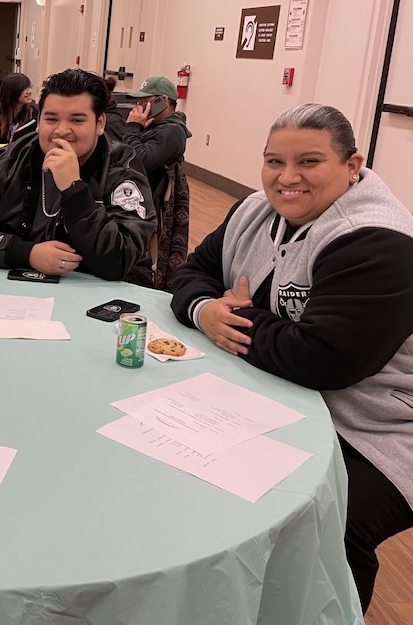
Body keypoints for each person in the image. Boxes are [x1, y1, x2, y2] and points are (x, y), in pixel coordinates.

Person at [168, 103, 413, 613]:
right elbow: (191, 272)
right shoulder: (252, 211)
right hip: (289, 396)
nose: (288, 178)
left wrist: (238, 320)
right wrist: (204, 308)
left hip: (381, 427)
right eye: (274, 161)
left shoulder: (376, 242)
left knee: (327, 523)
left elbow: (325, 360)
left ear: (352, 165)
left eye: (309, 161)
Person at [0, 68, 156, 283]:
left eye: (77, 120)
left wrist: (74, 190)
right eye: (51, 119)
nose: (61, 130)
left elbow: (119, 261)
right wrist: (26, 253)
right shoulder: (8, 161)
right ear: (39, 120)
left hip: (97, 299)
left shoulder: (122, 168)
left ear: (99, 124)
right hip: (15, 293)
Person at [107, 75, 191, 197]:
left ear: (163, 100)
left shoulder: (173, 131)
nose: (139, 105)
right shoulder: (151, 125)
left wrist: (132, 127)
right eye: (138, 101)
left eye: (144, 100)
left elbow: (138, 162)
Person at [0, 72, 38, 144]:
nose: (29, 92)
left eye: (29, 87)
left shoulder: (34, 114)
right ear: (12, 91)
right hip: (1, 153)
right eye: (24, 89)